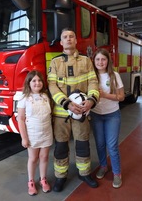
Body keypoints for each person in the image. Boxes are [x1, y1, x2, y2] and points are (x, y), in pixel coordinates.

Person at [47, 28, 100, 192]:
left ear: (76, 41)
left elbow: (93, 82)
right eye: (65, 37)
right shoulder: (55, 62)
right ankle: (60, 177)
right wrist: (66, 103)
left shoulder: (86, 61)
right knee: (61, 147)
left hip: (82, 113)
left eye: (71, 36)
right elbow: (52, 86)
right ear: (61, 42)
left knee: (83, 144)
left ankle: (84, 173)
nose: (68, 39)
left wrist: (91, 101)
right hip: (62, 114)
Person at [89, 48, 125, 188]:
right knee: (99, 144)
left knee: (112, 145)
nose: (100, 62)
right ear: (94, 61)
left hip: (112, 115)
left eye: (103, 59)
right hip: (96, 115)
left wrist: (104, 95)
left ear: (108, 60)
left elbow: (121, 97)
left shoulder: (114, 75)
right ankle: (103, 166)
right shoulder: (91, 76)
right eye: (97, 59)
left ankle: (117, 173)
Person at [17, 70, 53, 196]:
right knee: (33, 159)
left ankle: (43, 179)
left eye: (39, 80)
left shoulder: (46, 96)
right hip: (33, 134)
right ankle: (31, 182)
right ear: (29, 83)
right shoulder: (24, 99)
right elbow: (20, 119)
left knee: (44, 157)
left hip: (47, 132)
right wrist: (24, 138)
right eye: (34, 81)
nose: (37, 83)